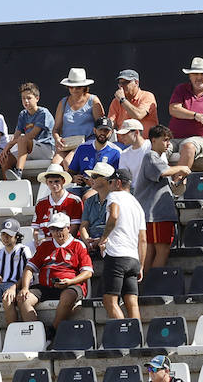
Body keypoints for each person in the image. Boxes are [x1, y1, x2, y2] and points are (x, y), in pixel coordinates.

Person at [18, 213, 92, 325]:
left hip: (71, 285)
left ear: (68, 228)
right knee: (23, 298)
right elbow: (29, 268)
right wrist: (24, 288)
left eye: (60, 229)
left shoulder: (78, 245)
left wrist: (70, 281)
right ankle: (39, 333)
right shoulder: (44, 245)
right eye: (53, 229)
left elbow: (87, 272)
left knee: (68, 296)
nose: (57, 233)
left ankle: (54, 329)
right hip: (46, 286)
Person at [97, 166, 146, 320]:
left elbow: (114, 216)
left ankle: (124, 335)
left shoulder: (115, 196)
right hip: (133, 258)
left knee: (110, 301)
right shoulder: (137, 205)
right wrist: (141, 265)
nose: (109, 185)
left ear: (117, 183)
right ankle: (136, 339)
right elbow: (143, 239)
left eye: (110, 182)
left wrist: (104, 237)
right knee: (132, 302)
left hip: (117, 255)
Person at [134, 125, 185, 268]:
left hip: (157, 216)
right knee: (161, 251)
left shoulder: (158, 159)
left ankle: (145, 286)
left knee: (150, 251)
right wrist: (181, 167)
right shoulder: (151, 156)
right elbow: (163, 173)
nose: (168, 143)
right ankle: (151, 285)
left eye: (169, 140)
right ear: (153, 140)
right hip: (156, 216)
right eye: (165, 140)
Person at [0, 82, 55, 177]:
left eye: (29, 98)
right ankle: (7, 186)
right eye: (23, 98)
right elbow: (17, 135)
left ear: (37, 98)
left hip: (46, 150)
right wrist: (6, 150)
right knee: (5, 159)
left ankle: (18, 172)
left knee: (23, 139)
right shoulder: (23, 114)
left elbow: (31, 135)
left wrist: (9, 145)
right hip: (29, 149)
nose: (26, 101)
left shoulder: (43, 113)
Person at [51, 68, 104, 169]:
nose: (74, 90)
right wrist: (57, 139)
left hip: (87, 142)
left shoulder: (93, 100)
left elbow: (101, 127)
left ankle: (77, 183)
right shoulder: (63, 102)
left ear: (84, 87)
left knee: (68, 163)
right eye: (71, 87)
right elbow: (56, 129)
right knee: (54, 166)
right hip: (67, 144)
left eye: (78, 87)